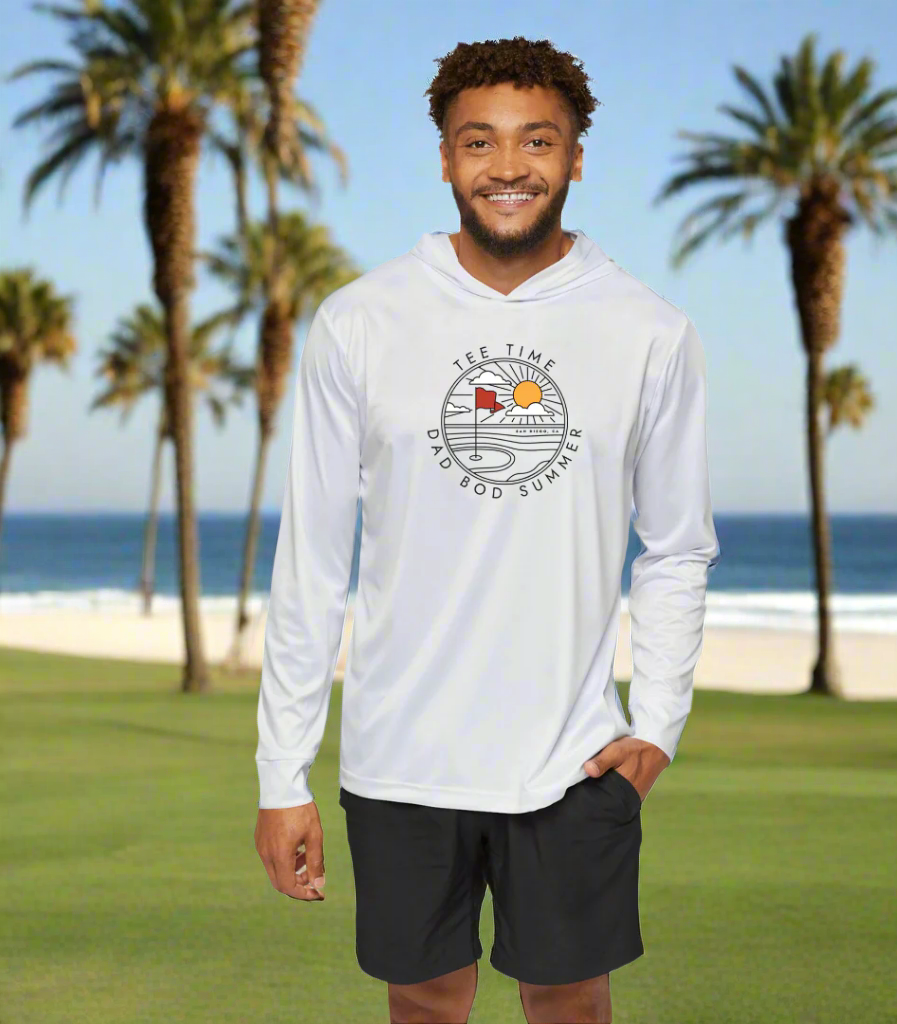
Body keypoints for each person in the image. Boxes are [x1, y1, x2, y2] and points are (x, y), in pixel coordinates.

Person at [253, 36, 720, 1024]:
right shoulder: (360, 321)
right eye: (479, 141)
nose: (507, 166)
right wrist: (281, 771)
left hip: (571, 760)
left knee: (568, 1004)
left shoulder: (649, 331)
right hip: (400, 757)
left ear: (576, 156)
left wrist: (659, 723)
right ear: (444, 157)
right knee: (424, 1004)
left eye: (536, 140)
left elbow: (675, 546)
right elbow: (313, 560)